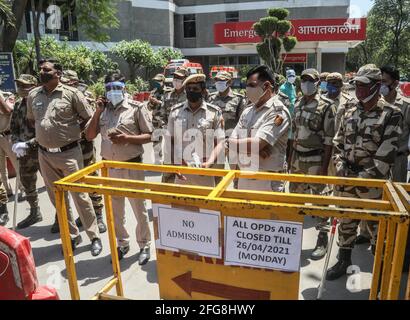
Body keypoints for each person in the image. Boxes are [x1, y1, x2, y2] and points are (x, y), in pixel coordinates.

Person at [326, 64, 402, 280]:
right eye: (357, 84)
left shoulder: (391, 114)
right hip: (346, 178)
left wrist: (362, 178)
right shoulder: (350, 110)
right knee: (346, 222)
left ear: (377, 86)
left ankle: (381, 272)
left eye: (364, 85)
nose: (359, 89)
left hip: (373, 184)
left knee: (378, 229)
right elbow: (338, 141)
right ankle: (343, 260)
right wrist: (339, 165)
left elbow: (386, 153)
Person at [25, 58, 102, 256]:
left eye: (46, 69)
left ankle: (94, 236)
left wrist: (77, 136)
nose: (41, 72)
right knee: (57, 199)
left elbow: (88, 118)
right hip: (45, 155)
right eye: (40, 69)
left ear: (57, 73)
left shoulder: (72, 94)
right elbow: (32, 121)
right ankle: (72, 236)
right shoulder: (33, 95)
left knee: (81, 196)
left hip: (69, 153)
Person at [85, 72, 152, 264]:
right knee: (116, 211)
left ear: (124, 88)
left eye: (116, 87)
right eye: (108, 88)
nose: (112, 92)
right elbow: (89, 136)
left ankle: (144, 244)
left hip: (132, 164)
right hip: (110, 168)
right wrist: (97, 112)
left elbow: (150, 135)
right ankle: (122, 243)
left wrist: (127, 138)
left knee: (139, 208)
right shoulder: (102, 110)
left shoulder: (136, 108)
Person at [203, 65, 290, 192]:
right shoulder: (248, 111)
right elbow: (235, 138)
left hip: (268, 182)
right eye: (247, 85)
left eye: (252, 85)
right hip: (244, 177)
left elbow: (256, 144)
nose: (247, 89)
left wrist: (238, 145)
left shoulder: (278, 112)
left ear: (266, 86)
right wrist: (248, 146)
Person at [290, 68, 336, 260]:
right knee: (294, 201)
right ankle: (292, 239)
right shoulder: (298, 103)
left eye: (310, 80)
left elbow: (329, 140)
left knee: (320, 202)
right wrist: (289, 160)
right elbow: (293, 133)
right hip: (297, 160)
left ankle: (322, 238)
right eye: (303, 80)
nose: (306, 83)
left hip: (317, 159)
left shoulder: (327, 106)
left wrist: (325, 168)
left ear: (318, 83)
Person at [61, 70, 106, 233]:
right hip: (67, 147)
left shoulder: (84, 95)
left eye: (67, 82)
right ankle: (84, 214)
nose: (64, 84)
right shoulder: (61, 95)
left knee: (91, 180)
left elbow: (87, 120)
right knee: (75, 183)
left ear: (74, 82)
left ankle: (99, 215)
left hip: (84, 145)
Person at [166, 74, 224, 187]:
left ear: (203, 91)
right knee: (181, 204)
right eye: (189, 89)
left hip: (205, 172)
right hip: (182, 171)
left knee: (206, 204)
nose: (191, 91)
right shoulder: (175, 112)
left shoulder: (214, 112)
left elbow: (220, 143)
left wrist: (210, 162)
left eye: (195, 89)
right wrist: (176, 164)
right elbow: (170, 141)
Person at [9, 74, 43, 229]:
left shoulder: (41, 103)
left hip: (41, 151)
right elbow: (13, 127)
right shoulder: (17, 104)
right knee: (28, 183)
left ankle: (60, 216)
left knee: (52, 186)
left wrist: (29, 144)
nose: (21, 89)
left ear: (34, 86)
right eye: (19, 86)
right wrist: (16, 143)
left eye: (24, 86)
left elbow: (45, 131)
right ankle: (35, 212)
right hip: (24, 153)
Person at [380, 65, 410, 183]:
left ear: (395, 83)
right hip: (376, 163)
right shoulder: (375, 104)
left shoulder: (406, 106)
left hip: (397, 162)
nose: (380, 85)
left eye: (384, 82)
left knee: (397, 197)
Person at [325, 72, 355, 177]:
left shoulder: (348, 101)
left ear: (340, 85)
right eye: (328, 83)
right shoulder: (322, 100)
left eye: (334, 83)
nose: (330, 86)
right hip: (324, 146)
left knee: (338, 175)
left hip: (340, 146)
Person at [161, 67, 189, 183]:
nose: (176, 80)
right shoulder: (167, 94)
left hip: (186, 138)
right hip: (170, 137)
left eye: (179, 78)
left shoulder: (190, 95)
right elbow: (162, 114)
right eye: (175, 77)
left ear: (186, 79)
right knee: (168, 168)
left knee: (185, 170)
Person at [0, 88, 23, 197]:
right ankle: (7, 192)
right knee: (1, 168)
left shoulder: (7, 95)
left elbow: (8, 111)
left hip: (8, 136)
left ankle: (23, 189)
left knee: (17, 164)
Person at [280, 69, 297, 164]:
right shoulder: (283, 88)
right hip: (287, 117)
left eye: (293, 76)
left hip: (293, 117)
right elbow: (282, 102)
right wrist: (290, 104)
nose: (292, 78)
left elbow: (293, 98)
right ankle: (285, 162)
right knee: (286, 141)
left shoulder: (293, 86)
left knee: (292, 140)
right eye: (290, 76)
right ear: (287, 77)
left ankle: (289, 161)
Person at [147, 74, 166, 164]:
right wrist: (151, 103)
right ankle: (158, 161)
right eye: (156, 81)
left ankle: (169, 161)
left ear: (163, 81)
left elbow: (170, 106)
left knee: (169, 142)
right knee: (156, 141)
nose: (157, 83)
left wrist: (159, 102)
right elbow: (149, 108)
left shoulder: (169, 92)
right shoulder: (153, 92)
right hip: (156, 121)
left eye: (159, 81)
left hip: (166, 120)